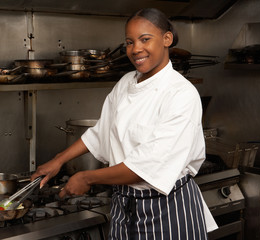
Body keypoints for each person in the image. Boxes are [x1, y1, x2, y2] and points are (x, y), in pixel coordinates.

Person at [31, 8, 218, 239]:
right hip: (124, 205)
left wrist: (87, 177)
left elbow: (148, 166)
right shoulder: (125, 83)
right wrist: (58, 161)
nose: (135, 49)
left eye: (145, 39)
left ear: (167, 39)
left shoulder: (181, 94)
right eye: (129, 42)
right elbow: (101, 132)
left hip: (167, 208)